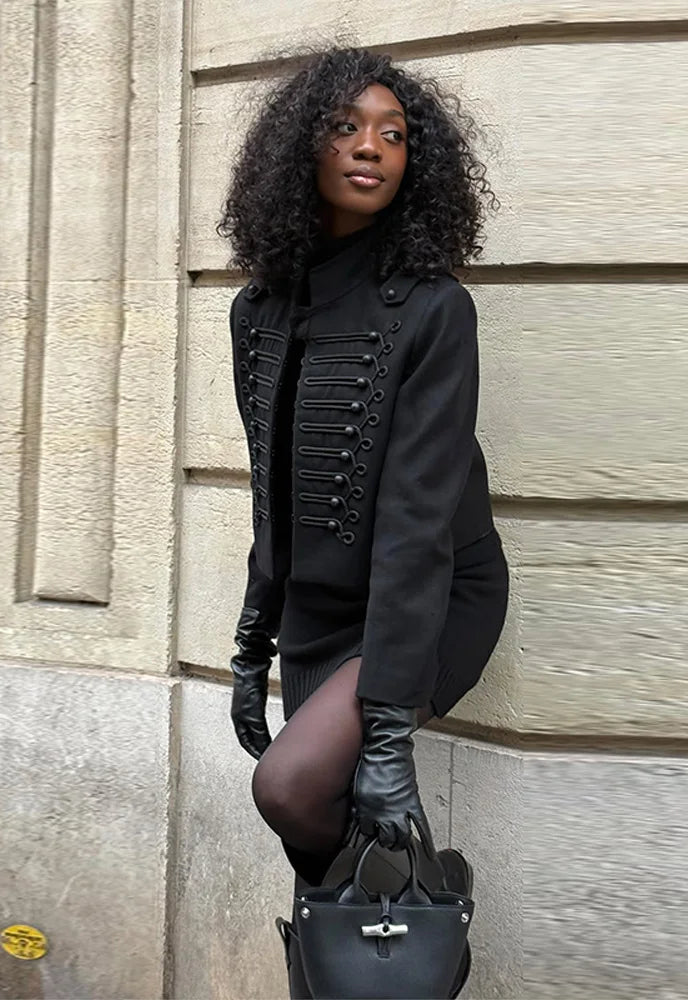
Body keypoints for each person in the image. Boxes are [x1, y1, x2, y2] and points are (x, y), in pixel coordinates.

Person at [218, 41, 509, 923]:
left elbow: (419, 520)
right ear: (301, 149)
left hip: (426, 594)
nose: (370, 147)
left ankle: (378, 934)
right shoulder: (258, 310)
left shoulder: (433, 308)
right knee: (323, 838)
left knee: (291, 789)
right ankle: (353, 954)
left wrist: (387, 738)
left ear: (414, 163)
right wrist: (251, 644)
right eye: (345, 127)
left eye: (393, 133)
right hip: (318, 610)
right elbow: (273, 491)